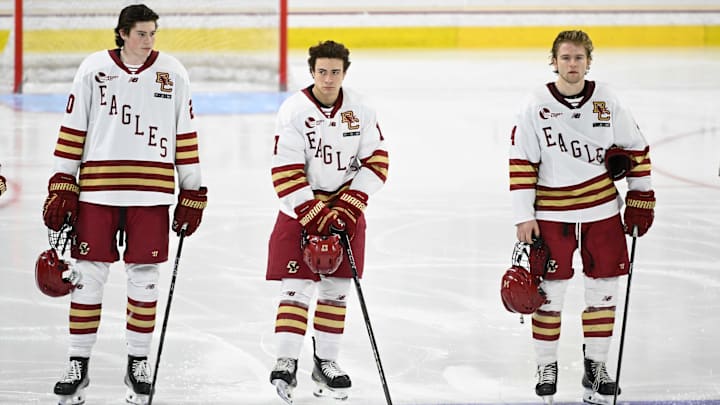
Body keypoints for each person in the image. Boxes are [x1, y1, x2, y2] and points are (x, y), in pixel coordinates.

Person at [41, 4, 207, 405]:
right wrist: (64, 180)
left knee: (145, 278)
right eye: (140, 34)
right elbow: (73, 127)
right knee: (87, 278)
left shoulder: (173, 72)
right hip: (96, 190)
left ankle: (138, 361)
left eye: (152, 33)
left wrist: (193, 190)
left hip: (152, 194)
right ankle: (77, 364)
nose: (148, 41)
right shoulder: (93, 69)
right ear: (121, 33)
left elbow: (185, 133)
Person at [508, 30, 654, 405]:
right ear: (553, 61)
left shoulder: (607, 100)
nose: (572, 65)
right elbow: (522, 163)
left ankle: (597, 365)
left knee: (603, 292)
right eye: (565, 58)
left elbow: (635, 147)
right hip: (552, 214)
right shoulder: (535, 104)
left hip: (602, 212)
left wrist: (641, 195)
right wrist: (523, 216)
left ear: (589, 61)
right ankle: (546, 365)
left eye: (578, 58)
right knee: (548, 295)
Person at [266, 40, 389, 403]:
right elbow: (284, 170)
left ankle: (326, 362)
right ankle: (286, 360)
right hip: (300, 212)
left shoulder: (360, 109)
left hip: (344, 212)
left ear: (345, 72)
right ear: (312, 72)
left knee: (336, 292)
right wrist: (315, 212)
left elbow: (377, 161)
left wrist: (348, 205)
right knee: (295, 288)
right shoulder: (293, 111)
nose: (329, 78)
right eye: (322, 71)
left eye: (335, 71)